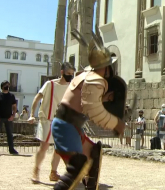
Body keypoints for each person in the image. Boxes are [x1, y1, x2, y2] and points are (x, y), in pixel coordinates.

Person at [51, 36, 125, 190]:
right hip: (66, 127)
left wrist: (104, 98)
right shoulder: (94, 80)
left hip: (71, 127)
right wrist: (116, 123)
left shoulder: (84, 77)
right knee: (76, 170)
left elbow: (83, 102)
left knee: (93, 152)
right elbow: (95, 112)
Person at [29, 62, 76, 183]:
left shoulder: (72, 86)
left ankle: (53, 172)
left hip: (62, 121)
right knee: (44, 146)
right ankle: (36, 170)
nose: (70, 76)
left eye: (72, 74)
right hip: (47, 119)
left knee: (58, 148)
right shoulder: (50, 84)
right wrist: (31, 114)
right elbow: (37, 98)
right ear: (62, 72)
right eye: (68, 73)